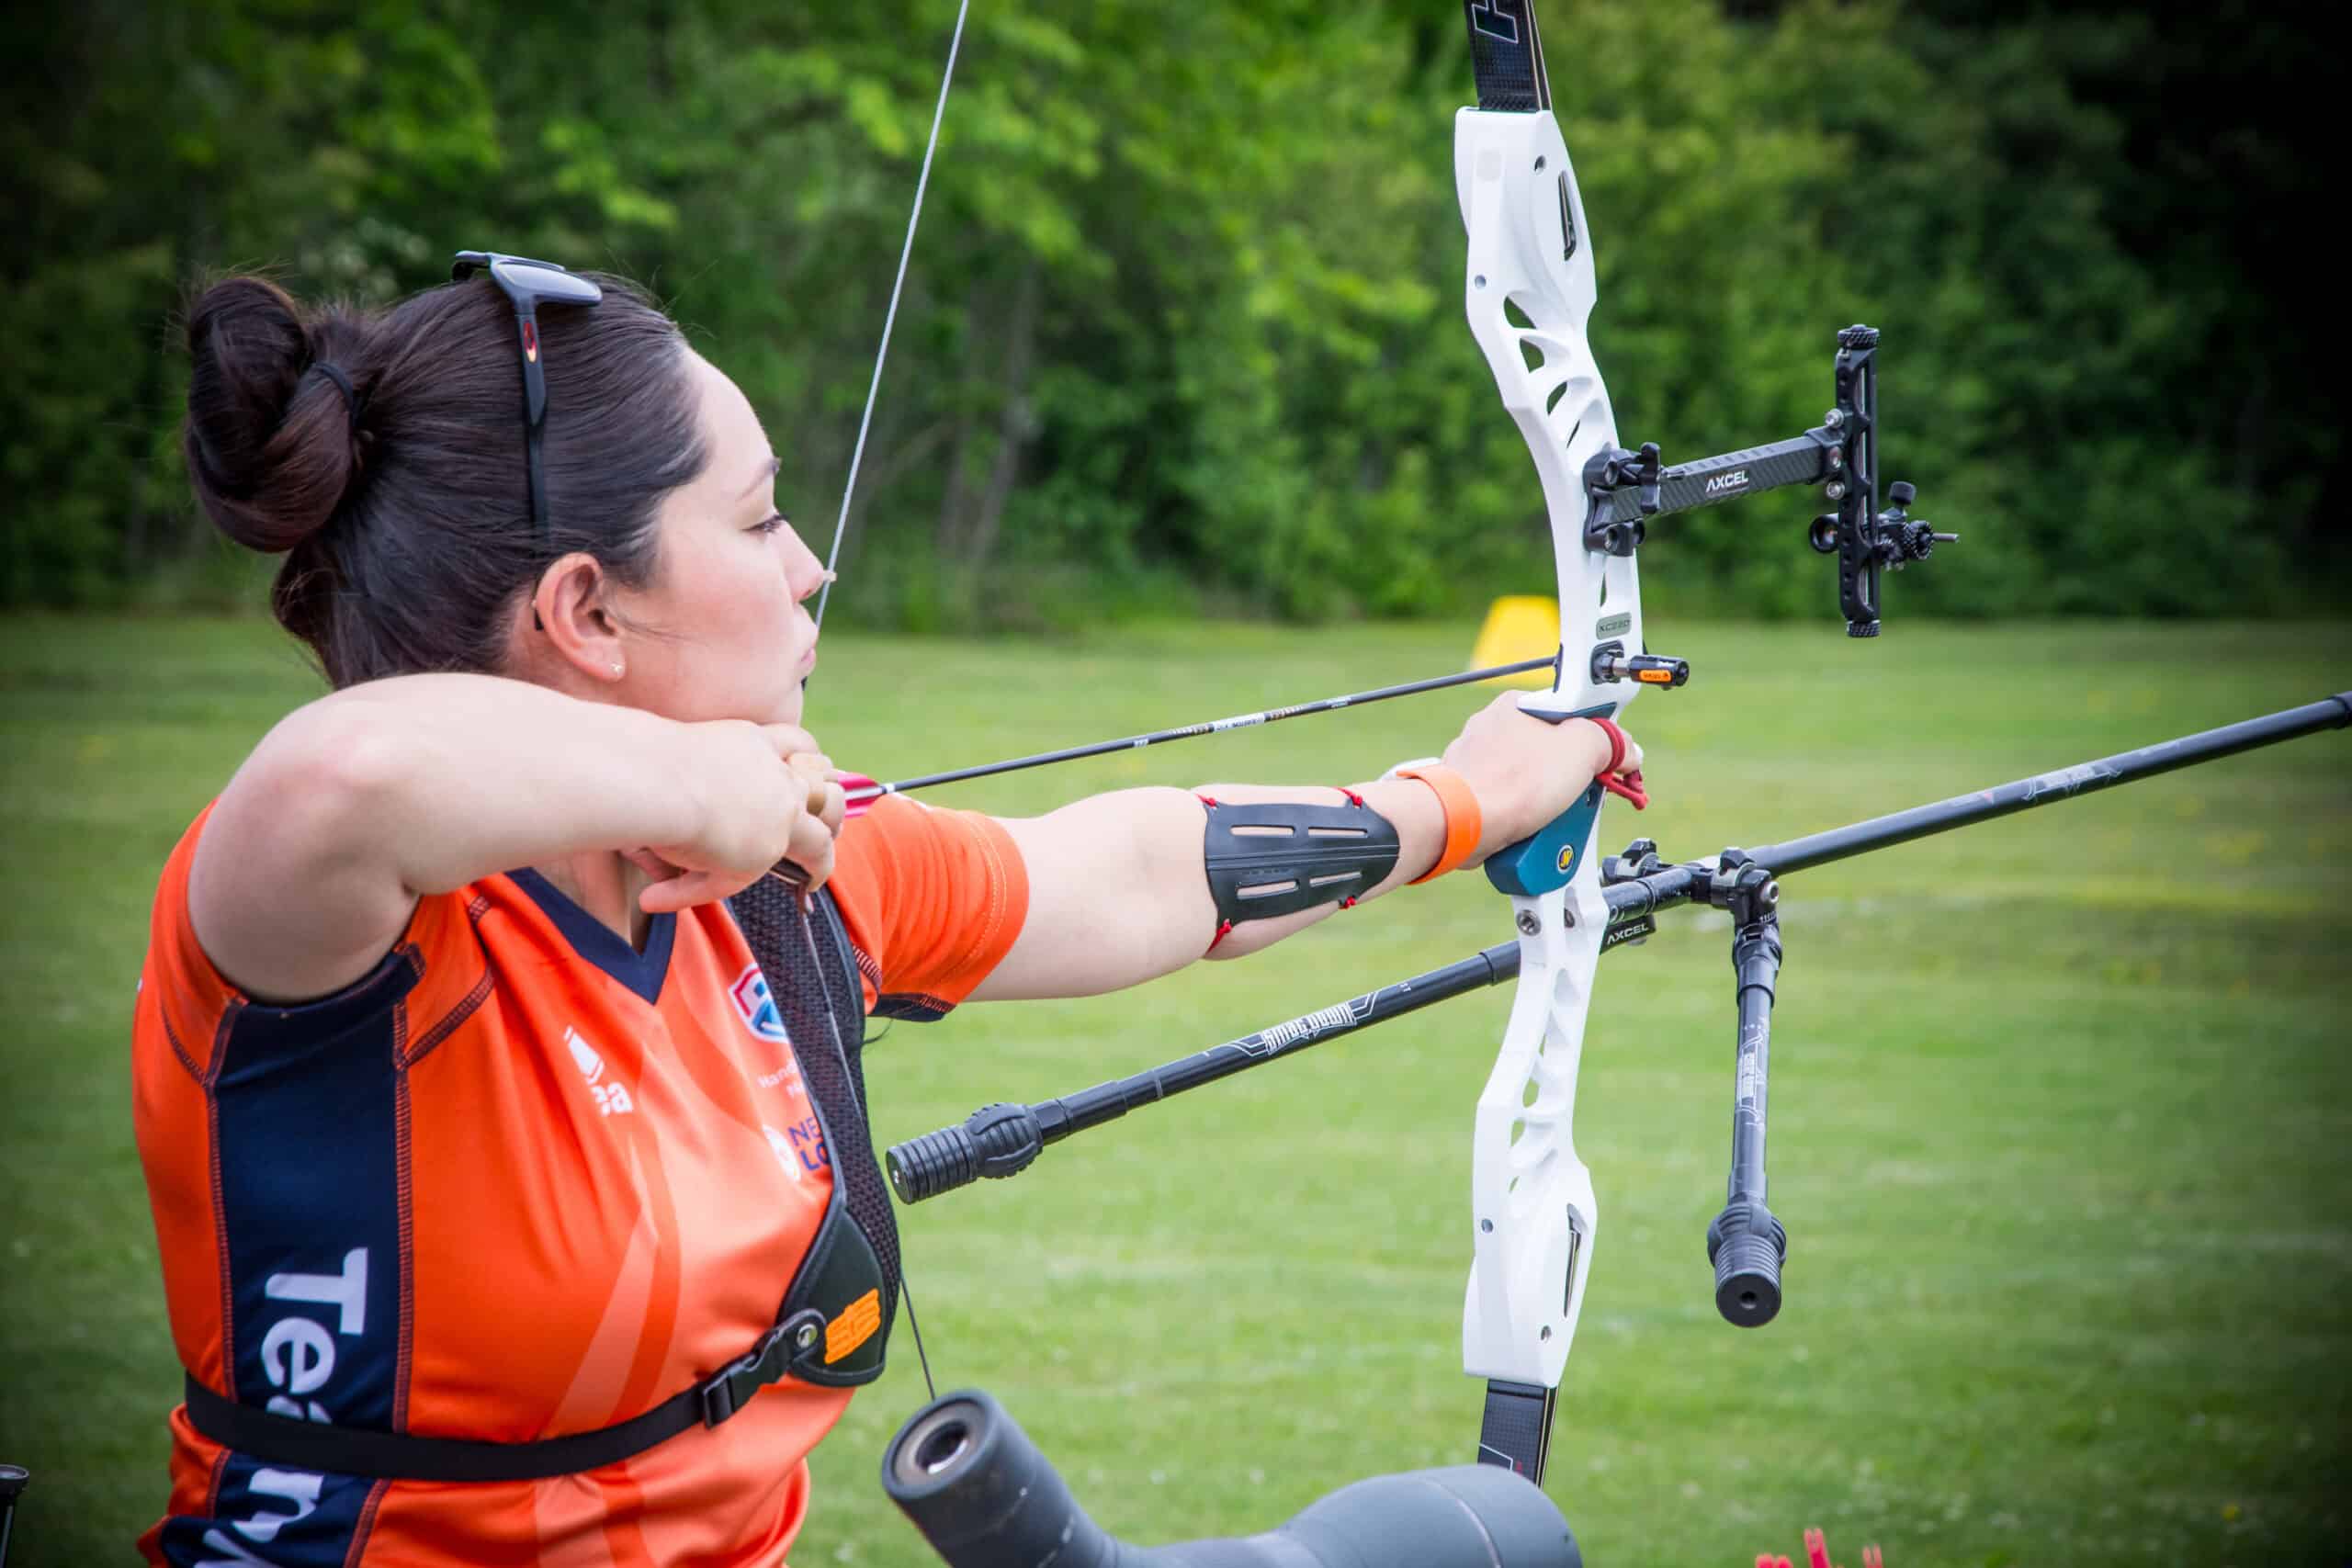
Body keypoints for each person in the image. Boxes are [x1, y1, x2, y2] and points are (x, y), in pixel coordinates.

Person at [132, 254, 1641, 1566]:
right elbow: (350, 768)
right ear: (589, 612)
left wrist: (1461, 802)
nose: (813, 566)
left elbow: (1125, 877)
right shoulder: (328, 919)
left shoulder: (782, 883)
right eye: (760, 519)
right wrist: (686, 784)